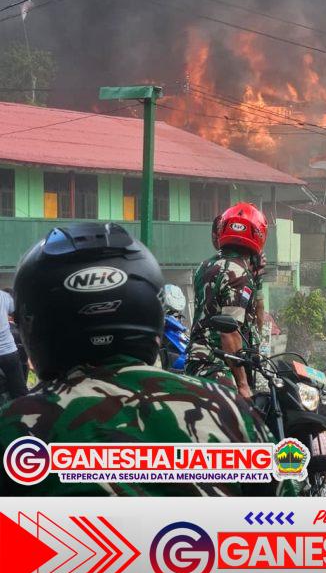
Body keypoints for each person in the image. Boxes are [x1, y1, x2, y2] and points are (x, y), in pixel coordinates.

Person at [0, 222, 267, 497]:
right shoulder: (230, 412)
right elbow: (287, 524)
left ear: (33, 324)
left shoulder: (13, 429)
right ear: (151, 311)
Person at [188, 203, 267, 400]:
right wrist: (242, 385)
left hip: (197, 361)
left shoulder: (204, 266)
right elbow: (229, 333)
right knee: (238, 424)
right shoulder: (240, 274)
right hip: (220, 368)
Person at [0, 287, 27, 400]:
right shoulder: (3, 296)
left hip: (9, 351)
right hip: (9, 351)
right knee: (19, 391)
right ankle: (21, 413)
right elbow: (17, 316)